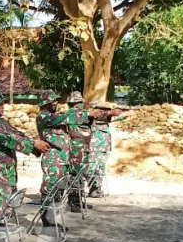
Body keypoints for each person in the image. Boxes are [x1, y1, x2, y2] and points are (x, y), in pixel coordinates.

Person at [0, 89, 49, 242]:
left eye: (3, 103)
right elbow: (9, 139)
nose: (3, 106)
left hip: (8, 173)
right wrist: (33, 145)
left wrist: (37, 146)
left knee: (6, 211)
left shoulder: (1, 122)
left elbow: (18, 134)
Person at [37, 90, 100, 227]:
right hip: (52, 159)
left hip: (62, 158)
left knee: (59, 189)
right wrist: (87, 113)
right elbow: (66, 117)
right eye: (52, 101)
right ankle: (47, 219)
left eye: (56, 100)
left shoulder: (54, 115)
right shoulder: (43, 116)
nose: (55, 103)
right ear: (45, 103)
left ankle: (52, 218)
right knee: (50, 188)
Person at [88, 103, 125, 198]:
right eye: (103, 110)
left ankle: (97, 189)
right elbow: (102, 115)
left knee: (100, 169)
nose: (105, 112)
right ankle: (93, 189)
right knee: (94, 168)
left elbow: (120, 117)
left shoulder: (105, 120)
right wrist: (111, 112)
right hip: (96, 148)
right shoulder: (96, 117)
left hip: (103, 148)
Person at [65, 91, 93, 212]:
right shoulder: (72, 113)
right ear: (73, 103)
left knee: (80, 175)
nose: (80, 104)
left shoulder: (81, 114)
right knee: (75, 174)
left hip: (83, 148)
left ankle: (79, 200)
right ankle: (73, 201)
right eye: (78, 102)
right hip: (76, 149)